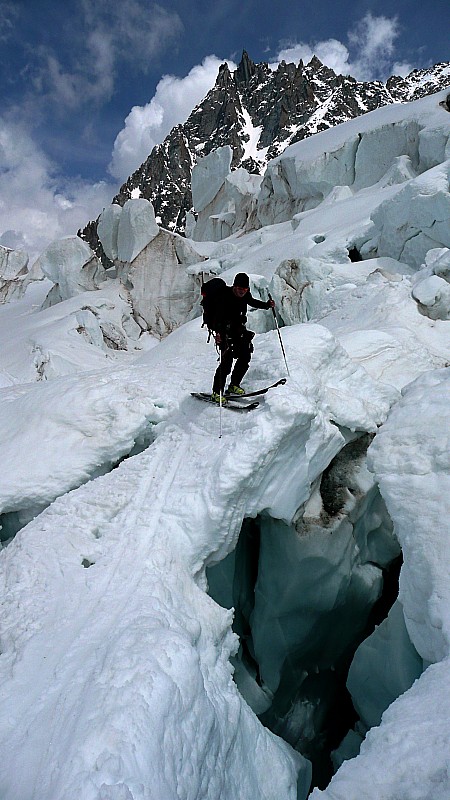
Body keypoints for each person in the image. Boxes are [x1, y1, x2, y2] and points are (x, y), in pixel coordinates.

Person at [208, 272, 275, 403]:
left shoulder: (245, 295)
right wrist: (218, 333)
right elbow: (215, 318)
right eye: (239, 289)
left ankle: (234, 385)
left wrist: (267, 305)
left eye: (244, 289)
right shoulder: (224, 297)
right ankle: (216, 392)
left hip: (239, 331)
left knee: (245, 356)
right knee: (226, 364)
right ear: (234, 287)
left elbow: (252, 302)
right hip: (225, 333)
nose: (242, 292)